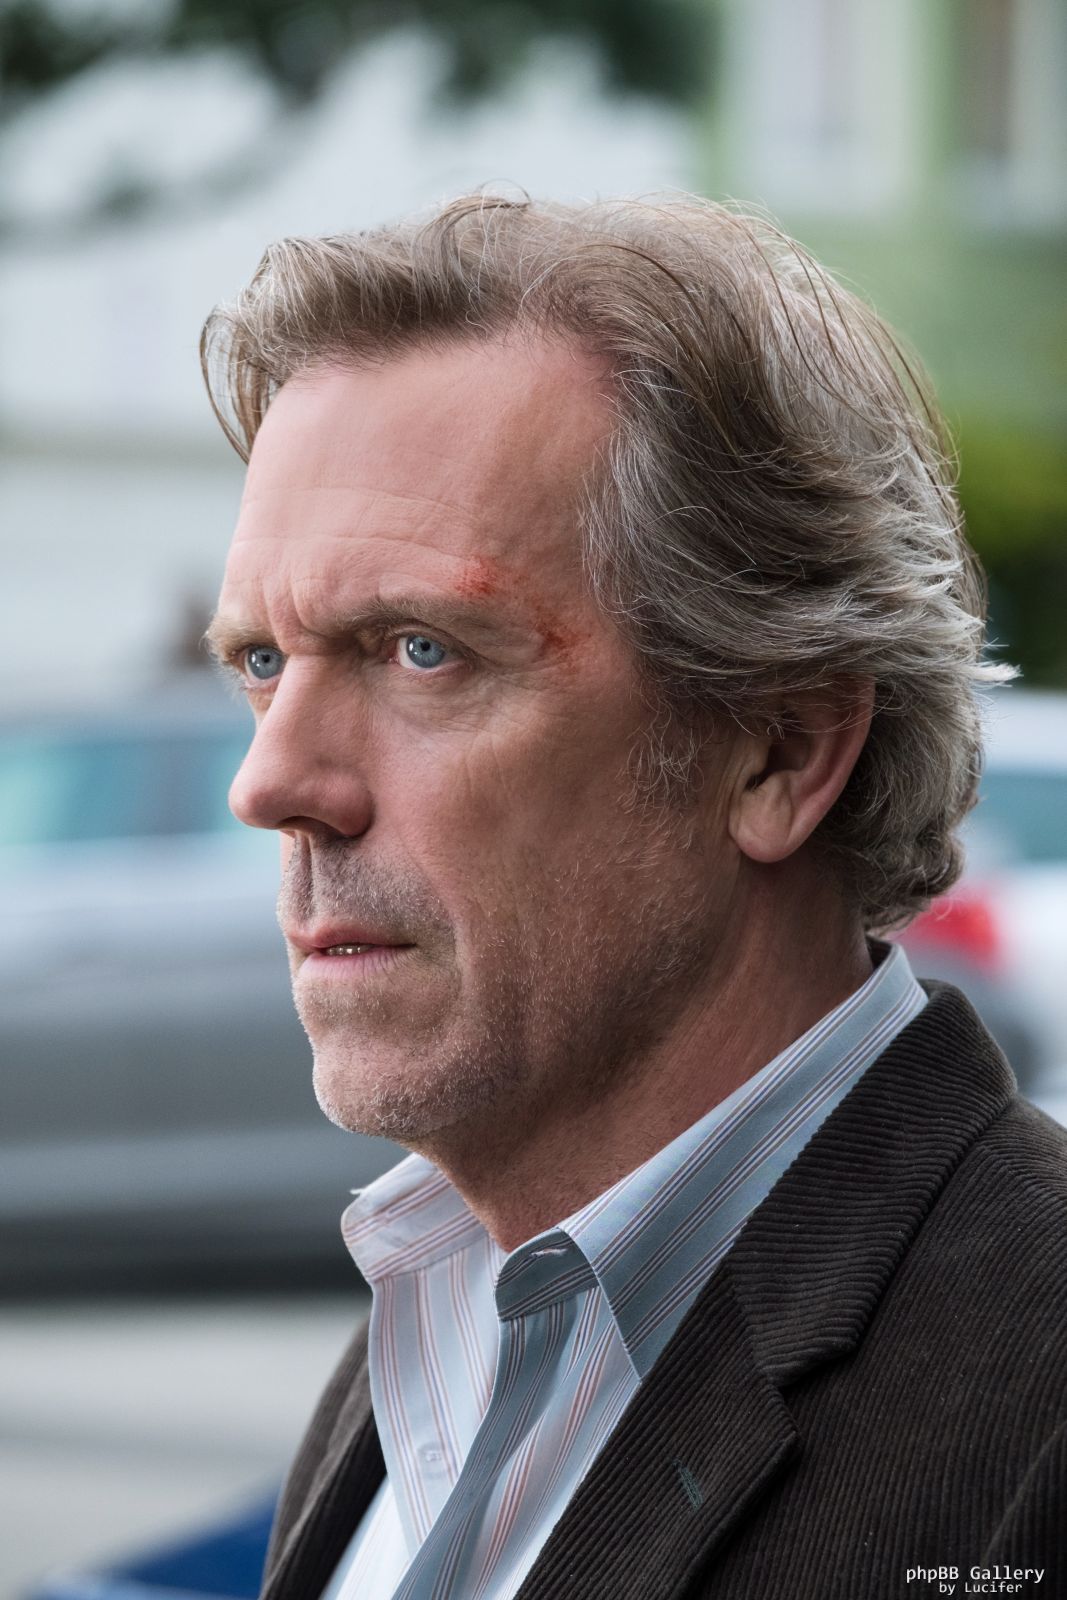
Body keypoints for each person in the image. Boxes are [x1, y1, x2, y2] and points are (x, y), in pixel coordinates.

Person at [201, 195, 1066, 1600]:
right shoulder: (437, 1317)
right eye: (260, 662)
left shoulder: (1036, 1392)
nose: (272, 781)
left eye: (421, 651)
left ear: (781, 749)